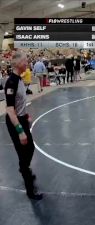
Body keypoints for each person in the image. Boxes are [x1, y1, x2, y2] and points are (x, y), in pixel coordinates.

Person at [4, 51, 42, 200]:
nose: (27, 63)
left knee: (30, 148)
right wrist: (19, 130)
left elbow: (19, 105)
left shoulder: (19, 79)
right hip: (15, 123)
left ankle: (23, 168)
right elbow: (9, 109)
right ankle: (30, 190)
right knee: (22, 152)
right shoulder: (11, 82)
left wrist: (25, 115)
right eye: (25, 61)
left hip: (22, 118)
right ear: (18, 64)